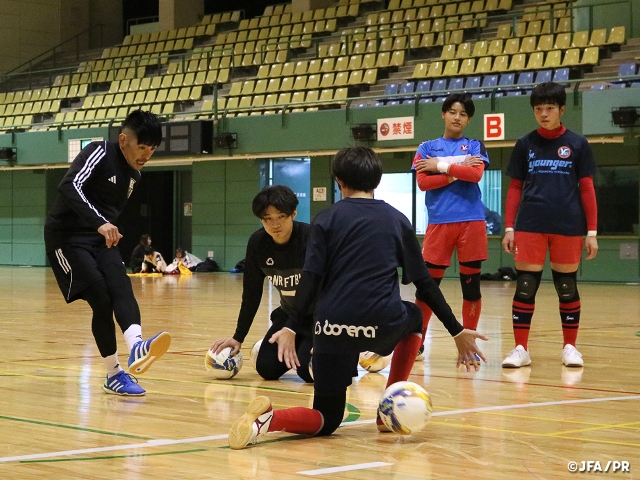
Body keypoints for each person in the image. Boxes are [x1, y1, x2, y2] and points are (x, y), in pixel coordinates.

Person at [227, 147, 488, 450]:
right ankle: (387, 406)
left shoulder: (325, 220)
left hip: (329, 329)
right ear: (376, 180)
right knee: (414, 315)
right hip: (381, 323)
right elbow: (425, 284)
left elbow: (310, 280)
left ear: (339, 181)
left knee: (327, 417)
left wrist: (291, 326)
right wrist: (456, 330)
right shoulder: (396, 220)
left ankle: (269, 420)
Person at [44, 109, 172, 396]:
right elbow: (69, 185)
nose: (146, 154)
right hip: (66, 239)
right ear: (124, 139)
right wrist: (100, 223)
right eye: (142, 147)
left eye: (152, 149)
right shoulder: (98, 152)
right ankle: (113, 373)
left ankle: (137, 346)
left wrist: (105, 228)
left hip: (101, 238)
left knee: (120, 282)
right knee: (101, 298)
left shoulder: (135, 175)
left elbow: (110, 210)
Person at [501, 82, 598, 369]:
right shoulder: (524, 144)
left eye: (550, 108)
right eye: (539, 109)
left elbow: (587, 189)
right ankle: (521, 348)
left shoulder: (578, 144)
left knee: (567, 286)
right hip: (530, 225)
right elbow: (515, 188)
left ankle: (570, 347)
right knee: (526, 286)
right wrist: (509, 227)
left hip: (568, 226)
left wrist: (591, 232)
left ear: (562, 109)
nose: (544, 114)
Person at [412, 93, 490, 359]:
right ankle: (417, 342)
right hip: (439, 224)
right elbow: (424, 183)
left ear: (468, 120)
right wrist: (456, 172)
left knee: (472, 287)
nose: (458, 117)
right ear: (444, 114)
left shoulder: (476, 145)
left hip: (472, 223)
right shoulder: (426, 148)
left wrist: (440, 167)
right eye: (453, 112)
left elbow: (476, 174)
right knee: (427, 288)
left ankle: (469, 341)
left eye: (463, 114)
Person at [210, 185, 314, 383]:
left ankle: (341, 349)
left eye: (281, 216)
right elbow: (251, 293)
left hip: (318, 316)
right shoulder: (258, 243)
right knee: (266, 368)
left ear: (293, 213)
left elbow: (321, 290)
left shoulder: (310, 238)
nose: (275, 224)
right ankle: (282, 343)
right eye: (268, 219)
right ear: (261, 220)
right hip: (289, 314)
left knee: (308, 373)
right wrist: (238, 337)